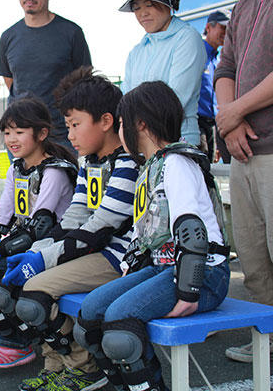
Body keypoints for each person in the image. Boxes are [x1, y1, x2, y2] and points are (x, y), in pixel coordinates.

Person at [73, 81, 230, 391]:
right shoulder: (150, 167)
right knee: (88, 318)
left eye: (121, 124)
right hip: (164, 268)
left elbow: (191, 230)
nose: (119, 132)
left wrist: (188, 291)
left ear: (140, 123)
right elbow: (150, 234)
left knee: (120, 326)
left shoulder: (177, 163)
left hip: (203, 274)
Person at [3, 67, 139, 391]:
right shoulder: (90, 162)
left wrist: (43, 259)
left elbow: (100, 226)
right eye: (68, 126)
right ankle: (55, 367)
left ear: (106, 121)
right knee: (20, 283)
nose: (72, 135)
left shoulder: (127, 163)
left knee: (34, 293)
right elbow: (74, 218)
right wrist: (37, 250)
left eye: (76, 125)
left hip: (117, 258)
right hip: (92, 250)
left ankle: (84, 370)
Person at [0, 97, 77, 369]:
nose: (11, 139)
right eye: (7, 132)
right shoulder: (16, 167)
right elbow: (1, 217)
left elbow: (39, 227)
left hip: (47, 246)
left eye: (19, 132)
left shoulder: (54, 171)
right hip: (20, 243)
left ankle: (19, 341)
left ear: (41, 133)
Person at [213, 0, 273, 363]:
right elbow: (226, 68)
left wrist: (234, 112)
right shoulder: (245, 4)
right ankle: (268, 339)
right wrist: (229, 120)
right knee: (253, 258)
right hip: (244, 151)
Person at [0, 0, 91, 152]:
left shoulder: (71, 33)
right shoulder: (8, 37)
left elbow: (84, 82)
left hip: (62, 136)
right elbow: (10, 80)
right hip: (22, 136)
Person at [119, 0, 206, 146]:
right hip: (145, 145)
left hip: (179, 142)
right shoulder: (137, 51)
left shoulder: (187, 38)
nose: (143, 13)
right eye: (136, 8)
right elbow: (126, 99)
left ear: (169, 5)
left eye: (149, 5)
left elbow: (176, 98)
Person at [198, 10, 230, 162]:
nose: (226, 32)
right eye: (222, 28)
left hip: (214, 126)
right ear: (208, 28)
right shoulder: (196, 54)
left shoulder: (219, 61)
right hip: (197, 125)